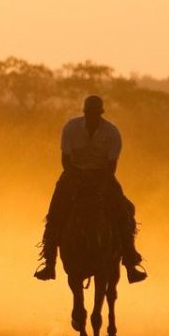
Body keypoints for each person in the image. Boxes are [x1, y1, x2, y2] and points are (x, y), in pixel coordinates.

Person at [35, 94, 145, 283]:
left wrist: (98, 183)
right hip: (73, 174)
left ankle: (129, 260)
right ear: (84, 113)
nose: (91, 117)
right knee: (54, 213)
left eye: (95, 114)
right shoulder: (71, 128)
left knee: (124, 212)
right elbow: (66, 161)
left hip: (102, 176)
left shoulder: (112, 133)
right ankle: (49, 262)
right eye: (88, 113)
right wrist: (76, 179)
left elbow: (111, 166)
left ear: (100, 114)